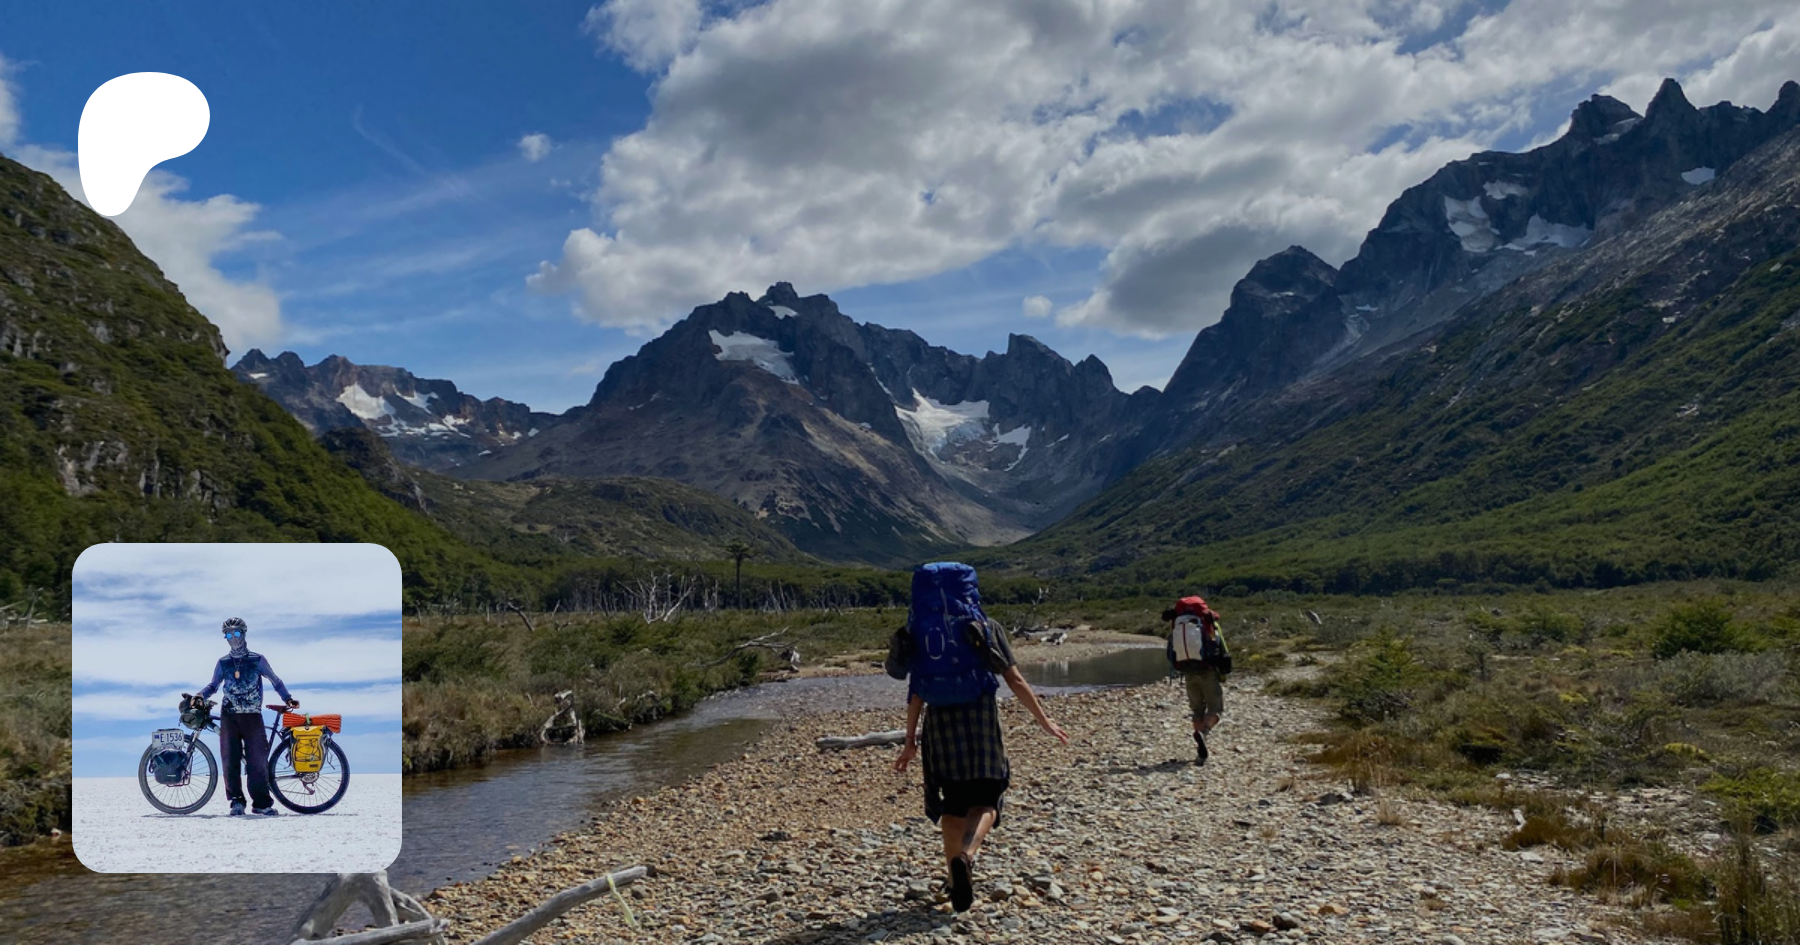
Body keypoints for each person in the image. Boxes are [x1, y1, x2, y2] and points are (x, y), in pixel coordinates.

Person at [889, 562, 1069, 913]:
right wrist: (1044, 720)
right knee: (987, 799)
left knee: (953, 803)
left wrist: (910, 741)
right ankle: (967, 857)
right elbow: (1014, 679)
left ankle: (953, 878)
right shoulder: (985, 626)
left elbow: (916, 691)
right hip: (980, 719)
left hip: (940, 724)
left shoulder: (918, 631)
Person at [194, 617, 298, 816]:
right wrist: (200, 695)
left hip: (252, 715)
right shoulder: (223, 663)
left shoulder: (257, 660)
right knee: (230, 760)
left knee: (257, 761)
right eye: (228, 634)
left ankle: (261, 804)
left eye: (236, 633)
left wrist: (288, 698)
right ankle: (236, 802)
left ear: (244, 634)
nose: (233, 638)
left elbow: (275, 681)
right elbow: (213, 686)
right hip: (229, 715)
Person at [1163, 596, 1227, 765]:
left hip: (1187, 671)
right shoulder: (1208, 620)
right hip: (1207, 670)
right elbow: (1221, 645)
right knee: (1215, 708)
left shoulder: (1177, 622)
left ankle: (1200, 753)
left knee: (1197, 710)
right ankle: (1204, 733)